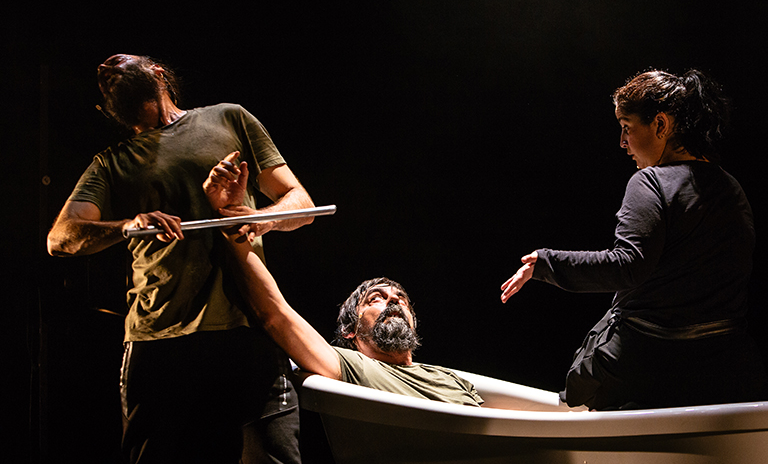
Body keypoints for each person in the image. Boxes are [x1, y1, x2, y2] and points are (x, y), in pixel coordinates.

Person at [46, 54, 314, 463]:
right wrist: (127, 225)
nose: (105, 69)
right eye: (102, 79)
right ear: (106, 109)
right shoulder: (113, 162)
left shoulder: (229, 118)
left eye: (121, 62)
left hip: (244, 329)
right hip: (159, 341)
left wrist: (260, 219)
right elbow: (60, 238)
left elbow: (301, 204)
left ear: (157, 72)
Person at [500, 69, 768, 411]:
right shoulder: (731, 188)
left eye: (627, 127)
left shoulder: (651, 182)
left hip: (648, 373)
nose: (622, 142)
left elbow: (627, 266)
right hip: (728, 375)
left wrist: (546, 263)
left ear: (660, 125)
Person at [203, 155, 483, 406]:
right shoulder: (351, 366)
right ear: (350, 330)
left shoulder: (453, 380)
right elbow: (275, 314)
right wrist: (231, 223)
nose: (393, 300)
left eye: (401, 299)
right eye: (376, 298)